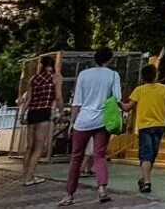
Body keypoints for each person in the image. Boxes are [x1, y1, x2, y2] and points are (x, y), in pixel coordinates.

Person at [61, 48, 122, 205]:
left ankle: (69, 195)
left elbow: (77, 101)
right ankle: (102, 189)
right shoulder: (113, 75)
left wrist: (72, 123)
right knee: (99, 155)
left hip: (83, 121)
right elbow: (117, 98)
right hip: (102, 121)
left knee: (76, 157)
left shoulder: (83, 75)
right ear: (110, 59)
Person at [122, 63, 165, 194]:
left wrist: (117, 102)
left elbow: (127, 107)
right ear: (155, 75)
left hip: (145, 127)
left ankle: (146, 180)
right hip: (160, 125)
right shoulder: (164, 89)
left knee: (146, 154)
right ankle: (145, 179)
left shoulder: (139, 90)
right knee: (152, 154)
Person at [20, 55, 63, 187]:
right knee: (39, 147)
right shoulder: (56, 77)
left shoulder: (34, 78)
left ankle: (26, 175)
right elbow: (58, 96)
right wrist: (61, 112)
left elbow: (28, 99)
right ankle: (29, 177)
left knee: (29, 146)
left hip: (32, 112)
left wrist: (22, 114)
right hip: (44, 112)